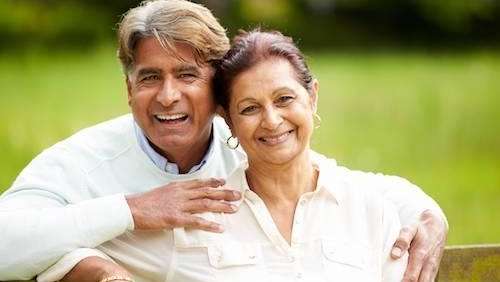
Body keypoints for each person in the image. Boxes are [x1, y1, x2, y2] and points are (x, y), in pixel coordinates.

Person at [0, 1, 446, 281]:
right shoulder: (85, 162)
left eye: (188, 75)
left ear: (218, 98)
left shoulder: (249, 143)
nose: (168, 95)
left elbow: (319, 177)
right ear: (129, 90)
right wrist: (133, 212)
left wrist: (424, 209)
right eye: (150, 77)